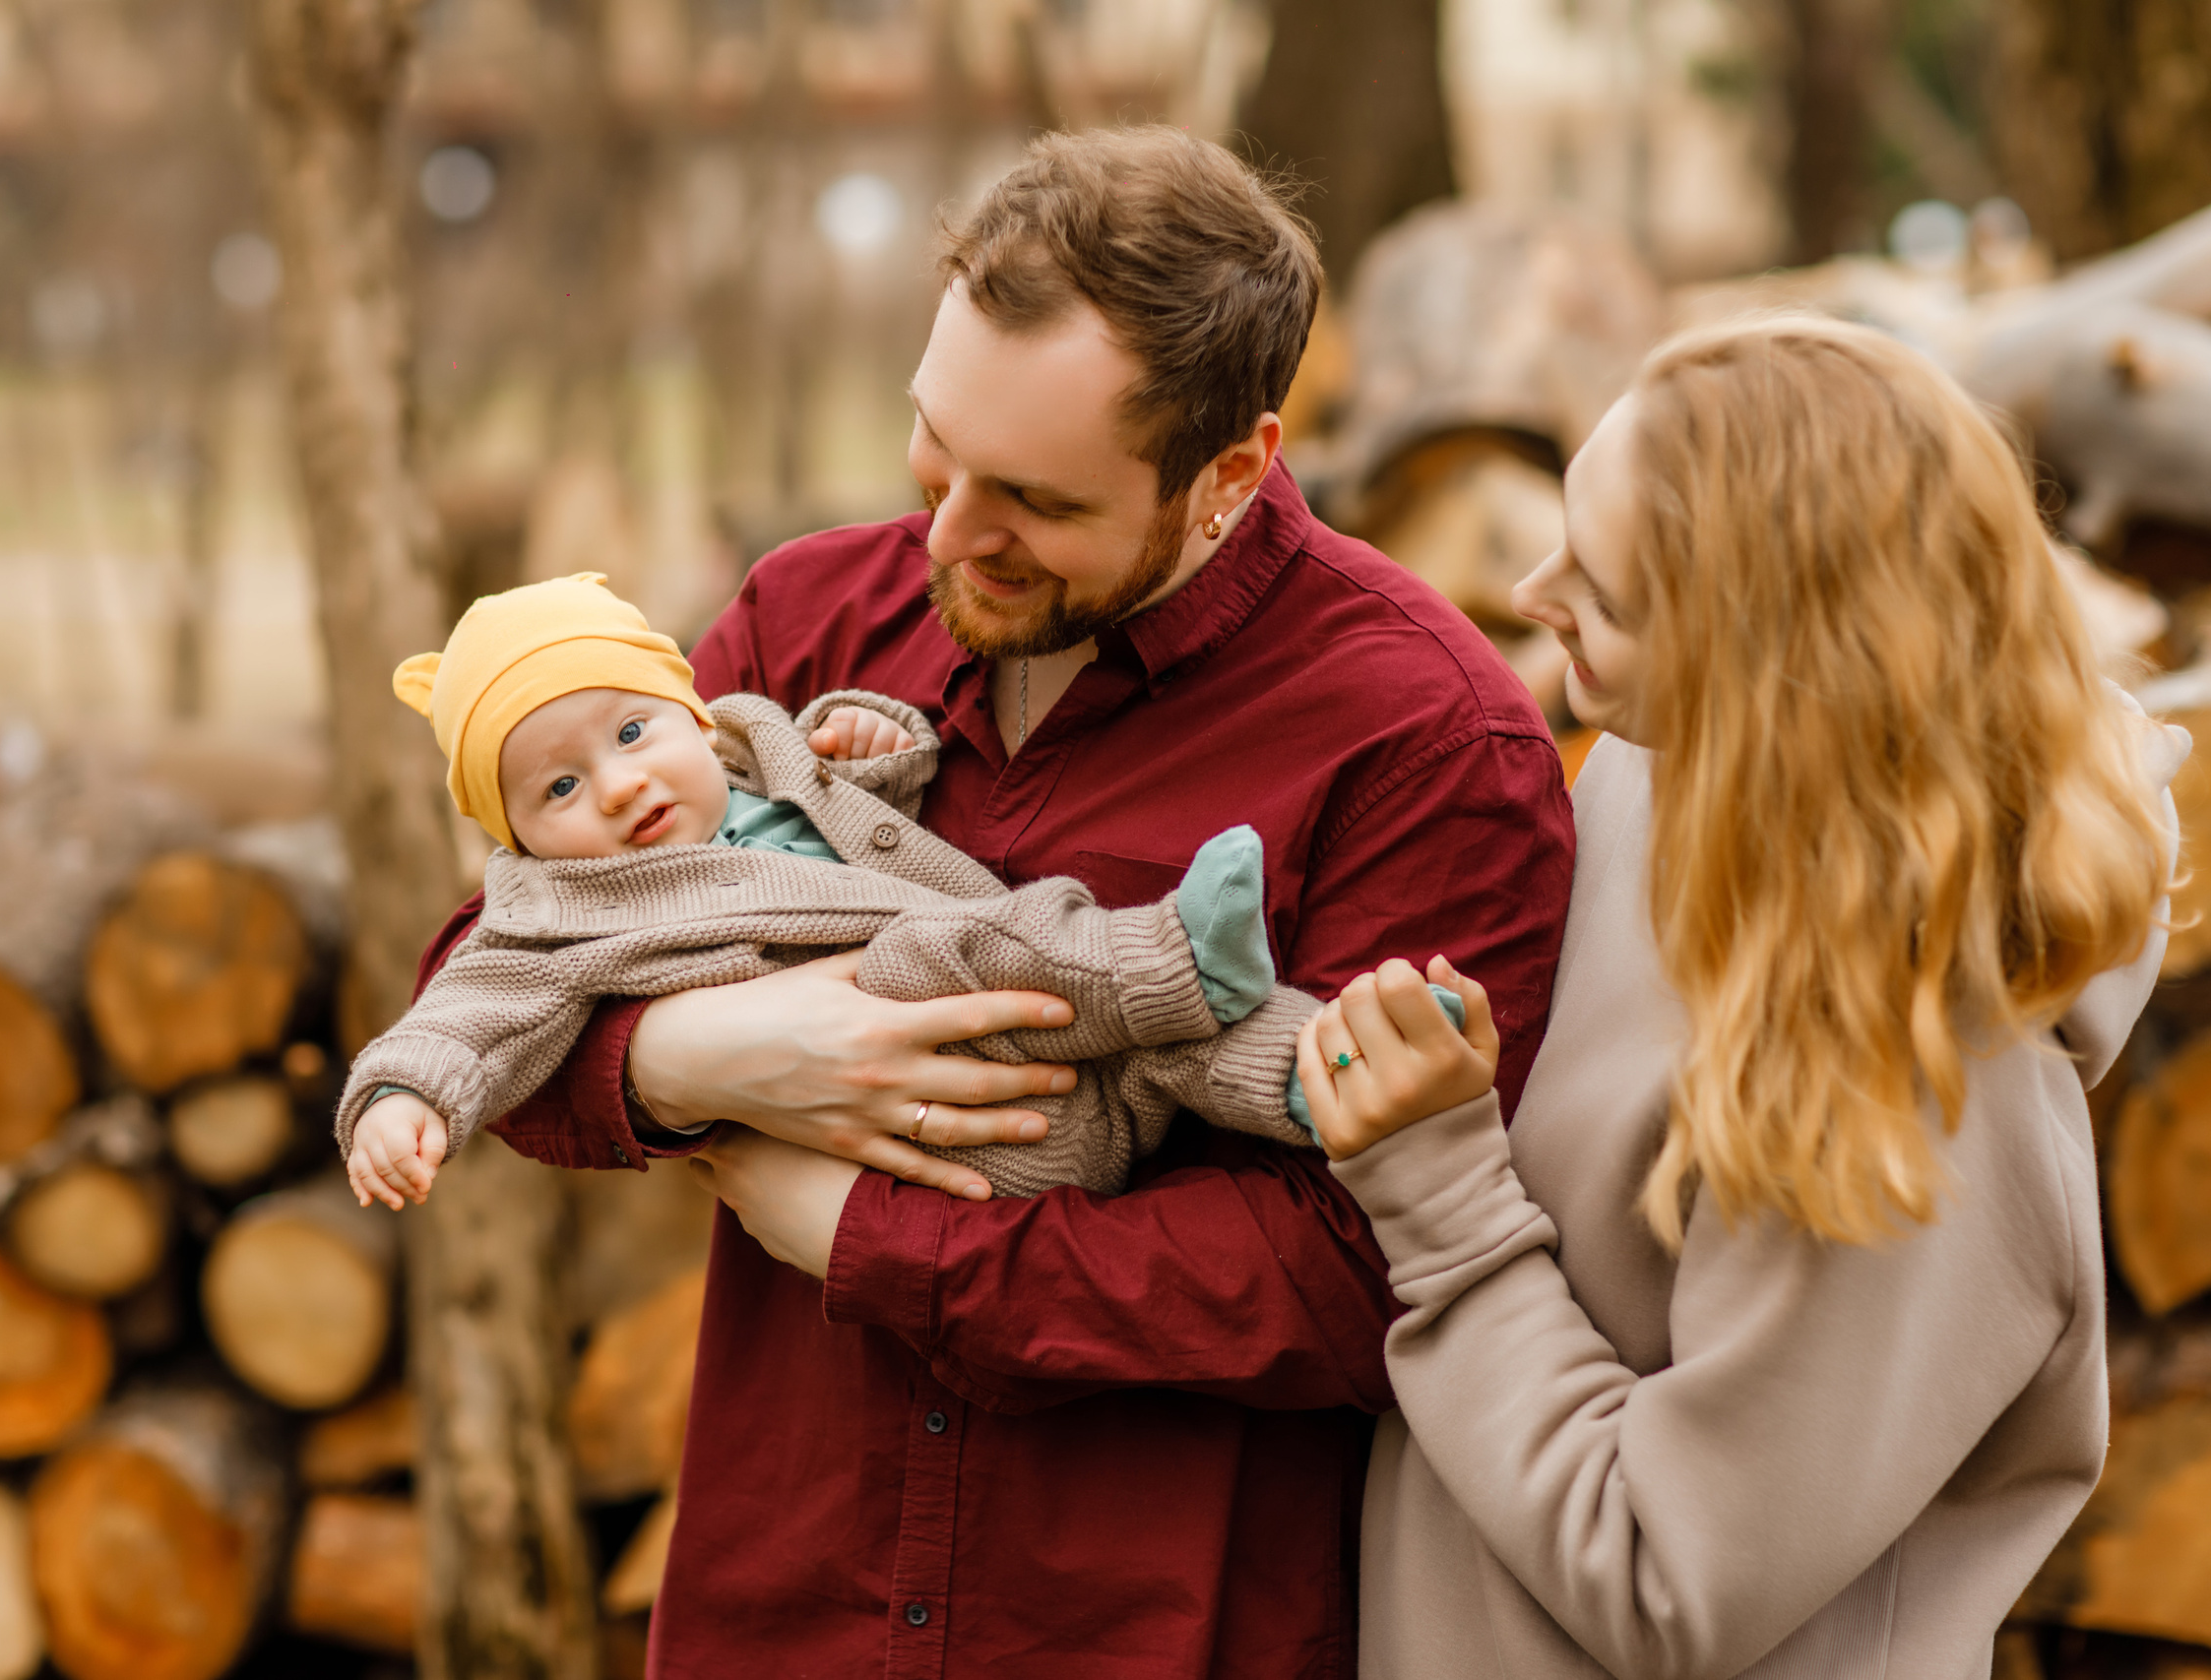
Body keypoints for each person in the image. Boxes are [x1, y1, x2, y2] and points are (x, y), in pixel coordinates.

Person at [411, 126, 1575, 1677]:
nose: (949, 533)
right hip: (779, 1607)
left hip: (1138, 1629)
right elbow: (492, 970)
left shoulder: (1429, 737)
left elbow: (1363, 1271)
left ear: (1232, 472)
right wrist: (705, 1059)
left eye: (1031, 496)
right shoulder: (813, 611)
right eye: (934, 443)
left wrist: (872, 1236)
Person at [1295, 316, 2181, 1679]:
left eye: (1604, 585)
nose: (1529, 590)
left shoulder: (1935, 1082)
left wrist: (1442, 1192)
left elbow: (1668, 1584)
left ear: (1771, 658)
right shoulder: (1664, 789)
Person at [338, 571, 1328, 1206]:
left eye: (632, 732)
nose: (618, 784)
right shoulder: (559, 919)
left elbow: (871, 836)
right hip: (968, 1132)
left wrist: (868, 751)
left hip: (1070, 1070)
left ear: (688, 707)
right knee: (960, 948)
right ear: (519, 838)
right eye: (558, 788)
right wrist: (398, 1096)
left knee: (1178, 1053)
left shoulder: (766, 755)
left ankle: (1318, 1073)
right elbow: (467, 1010)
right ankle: (1175, 954)